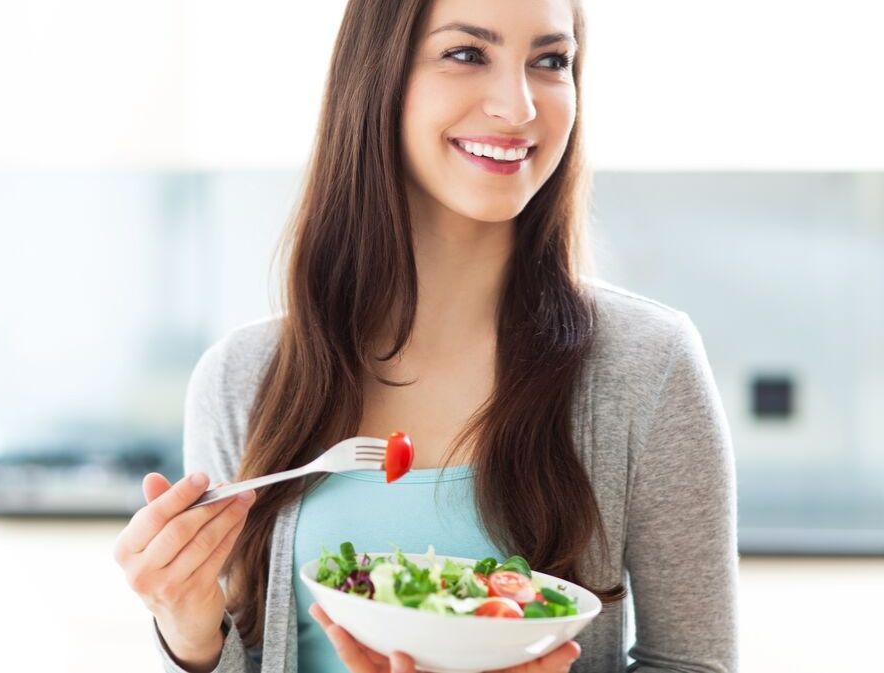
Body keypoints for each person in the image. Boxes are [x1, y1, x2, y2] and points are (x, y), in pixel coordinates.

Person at [113, 0, 739, 671]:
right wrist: (190, 632)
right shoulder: (243, 378)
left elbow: (696, 663)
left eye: (550, 61)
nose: (519, 105)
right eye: (468, 54)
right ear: (377, 76)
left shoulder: (650, 367)